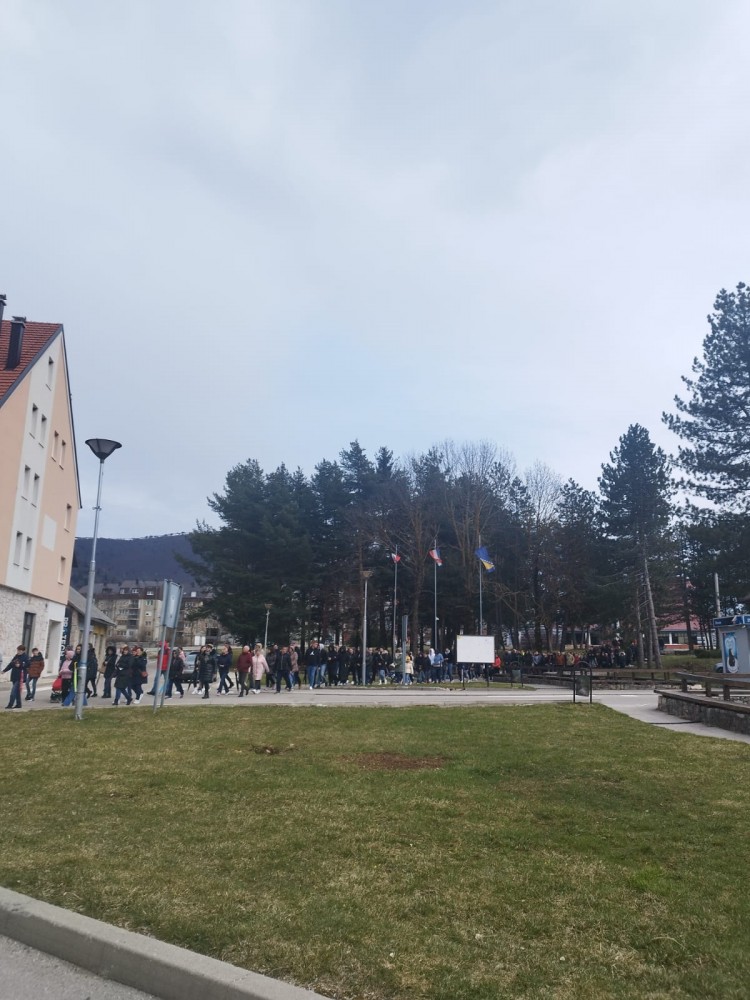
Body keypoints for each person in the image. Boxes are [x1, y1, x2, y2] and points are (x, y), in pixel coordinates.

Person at [4, 645, 29, 709]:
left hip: (20, 677)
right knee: (17, 691)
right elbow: (11, 664)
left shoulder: (26, 657)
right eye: (18, 650)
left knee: (13, 691)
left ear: (23, 651)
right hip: (14, 676)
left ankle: (10, 705)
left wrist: (20, 665)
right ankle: (19, 704)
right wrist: (4, 670)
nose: (18, 652)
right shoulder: (16, 656)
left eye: (20, 651)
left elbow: (28, 665)